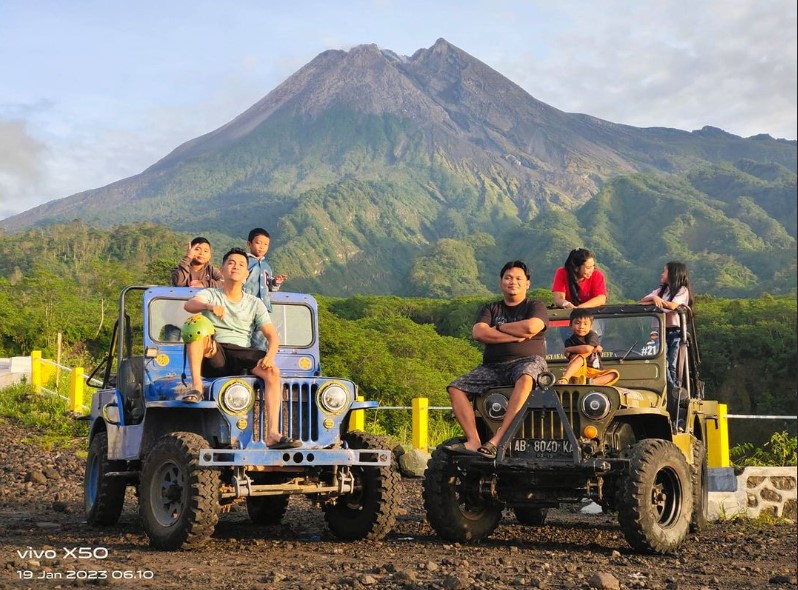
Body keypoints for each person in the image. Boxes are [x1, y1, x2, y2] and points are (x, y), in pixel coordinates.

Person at [182, 247, 300, 449]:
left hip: (240, 353)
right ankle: (197, 388)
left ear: (247, 274)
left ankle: (272, 434)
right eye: (231, 263)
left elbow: (272, 336)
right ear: (223, 269)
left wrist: (270, 357)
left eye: (241, 264)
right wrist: (209, 307)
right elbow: (189, 305)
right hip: (215, 352)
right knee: (196, 327)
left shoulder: (254, 303)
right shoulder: (210, 294)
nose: (235, 267)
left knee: (273, 372)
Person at [446, 260, 549, 459]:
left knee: (527, 376)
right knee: (455, 387)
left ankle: (498, 439)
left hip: (527, 361)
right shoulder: (491, 309)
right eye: (508, 278)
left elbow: (531, 327)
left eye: (519, 278)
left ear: (527, 283)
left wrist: (497, 329)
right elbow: (478, 333)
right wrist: (512, 333)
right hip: (493, 367)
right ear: (501, 281)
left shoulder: (535, 305)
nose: (513, 282)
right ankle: (474, 441)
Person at [639, 261, 692, 390]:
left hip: (674, 331)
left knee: (671, 364)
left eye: (664, 271)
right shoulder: (661, 291)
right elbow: (642, 301)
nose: (662, 274)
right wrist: (654, 298)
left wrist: (657, 300)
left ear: (673, 274)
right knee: (661, 360)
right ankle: (667, 387)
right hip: (659, 331)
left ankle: (672, 389)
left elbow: (673, 306)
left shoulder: (682, 290)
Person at [556, 308, 619, 386]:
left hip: (594, 372)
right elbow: (573, 358)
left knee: (614, 374)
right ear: (570, 325)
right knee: (579, 358)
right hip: (579, 373)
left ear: (590, 327)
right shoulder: (569, 341)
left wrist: (569, 349)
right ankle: (565, 378)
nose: (581, 326)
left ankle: (590, 383)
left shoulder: (592, 335)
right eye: (577, 323)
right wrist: (592, 350)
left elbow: (588, 348)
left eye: (585, 324)